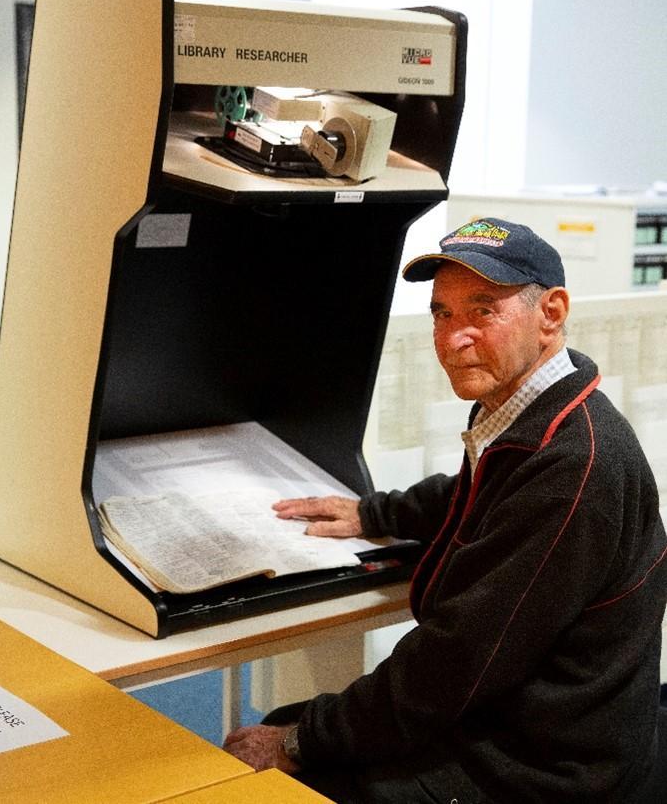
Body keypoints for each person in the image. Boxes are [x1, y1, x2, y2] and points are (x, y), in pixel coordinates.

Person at [223, 217, 667, 803]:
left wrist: (301, 741)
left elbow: (453, 663)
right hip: (525, 717)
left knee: (285, 760)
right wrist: (372, 514)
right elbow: (472, 489)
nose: (454, 337)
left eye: (483, 311)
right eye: (442, 313)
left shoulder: (572, 464)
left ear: (551, 313)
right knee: (294, 720)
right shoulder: (531, 411)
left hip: (548, 765)